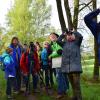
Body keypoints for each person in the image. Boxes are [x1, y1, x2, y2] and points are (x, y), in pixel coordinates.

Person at [57, 30, 83, 100]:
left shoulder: (77, 43)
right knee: (72, 85)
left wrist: (74, 31)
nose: (69, 36)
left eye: (71, 35)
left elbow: (80, 37)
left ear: (74, 36)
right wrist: (63, 34)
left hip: (75, 68)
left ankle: (79, 98)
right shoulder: (64, 44)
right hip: (67, 68)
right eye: (68, 35)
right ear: (66, 37)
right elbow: (58, 40)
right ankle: (75, 97)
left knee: (77, 85)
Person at [49, 32, 69, 99]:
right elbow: (56, 52)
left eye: (53, 36)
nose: (52, 37)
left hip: (61, 61)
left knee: (59, 76)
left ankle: (61, 92)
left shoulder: (59, 42)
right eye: (51, 36)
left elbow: (59, 51)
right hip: (56, 62)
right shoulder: (52, 45)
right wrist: (53, 53)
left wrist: (51, 55)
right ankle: (65, 90)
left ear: (57, 37)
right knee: (62, 76)